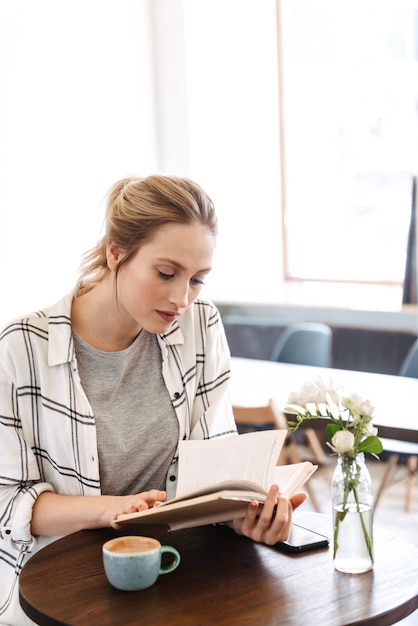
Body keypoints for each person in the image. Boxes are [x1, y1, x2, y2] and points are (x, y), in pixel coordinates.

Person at [0, 175, 306, 624]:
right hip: (57, 589)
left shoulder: (200, 324)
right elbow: (9, 503)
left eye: (198, 280)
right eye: (166, 274)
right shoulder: (20, 348)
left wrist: (245, 515)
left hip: (176, 571)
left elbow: (216, 468)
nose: (182, 298)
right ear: (116, 252)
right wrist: (113, 510)